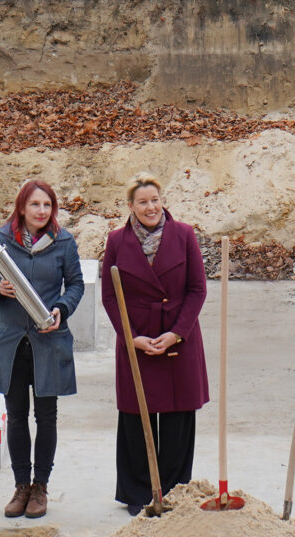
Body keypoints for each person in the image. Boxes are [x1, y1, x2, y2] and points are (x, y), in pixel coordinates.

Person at [101, 172, 209, 516]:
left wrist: (177, 332)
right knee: (136, 417)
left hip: (178, 338)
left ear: (162, 202)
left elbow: (197, 289)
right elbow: (109, 295)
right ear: (131, 206)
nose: (151, 207)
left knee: (178, 419)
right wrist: (131, 336)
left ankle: (175, 490)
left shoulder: (184, 235)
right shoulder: (117, 240)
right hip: (138, 339)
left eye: (155, 200)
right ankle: (138, 491)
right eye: (143, 202)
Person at [0, 179, 84, 518]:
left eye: (47, 205)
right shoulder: (1, 240)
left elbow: (77, 284)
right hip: (11, 340)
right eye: (35, 205)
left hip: (47, 338)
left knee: (47, 416)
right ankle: (21, 485)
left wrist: (62, 308)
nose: (41, 211)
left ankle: (41, 487)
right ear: (21, 207)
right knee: (17, 416)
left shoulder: (63, 242)